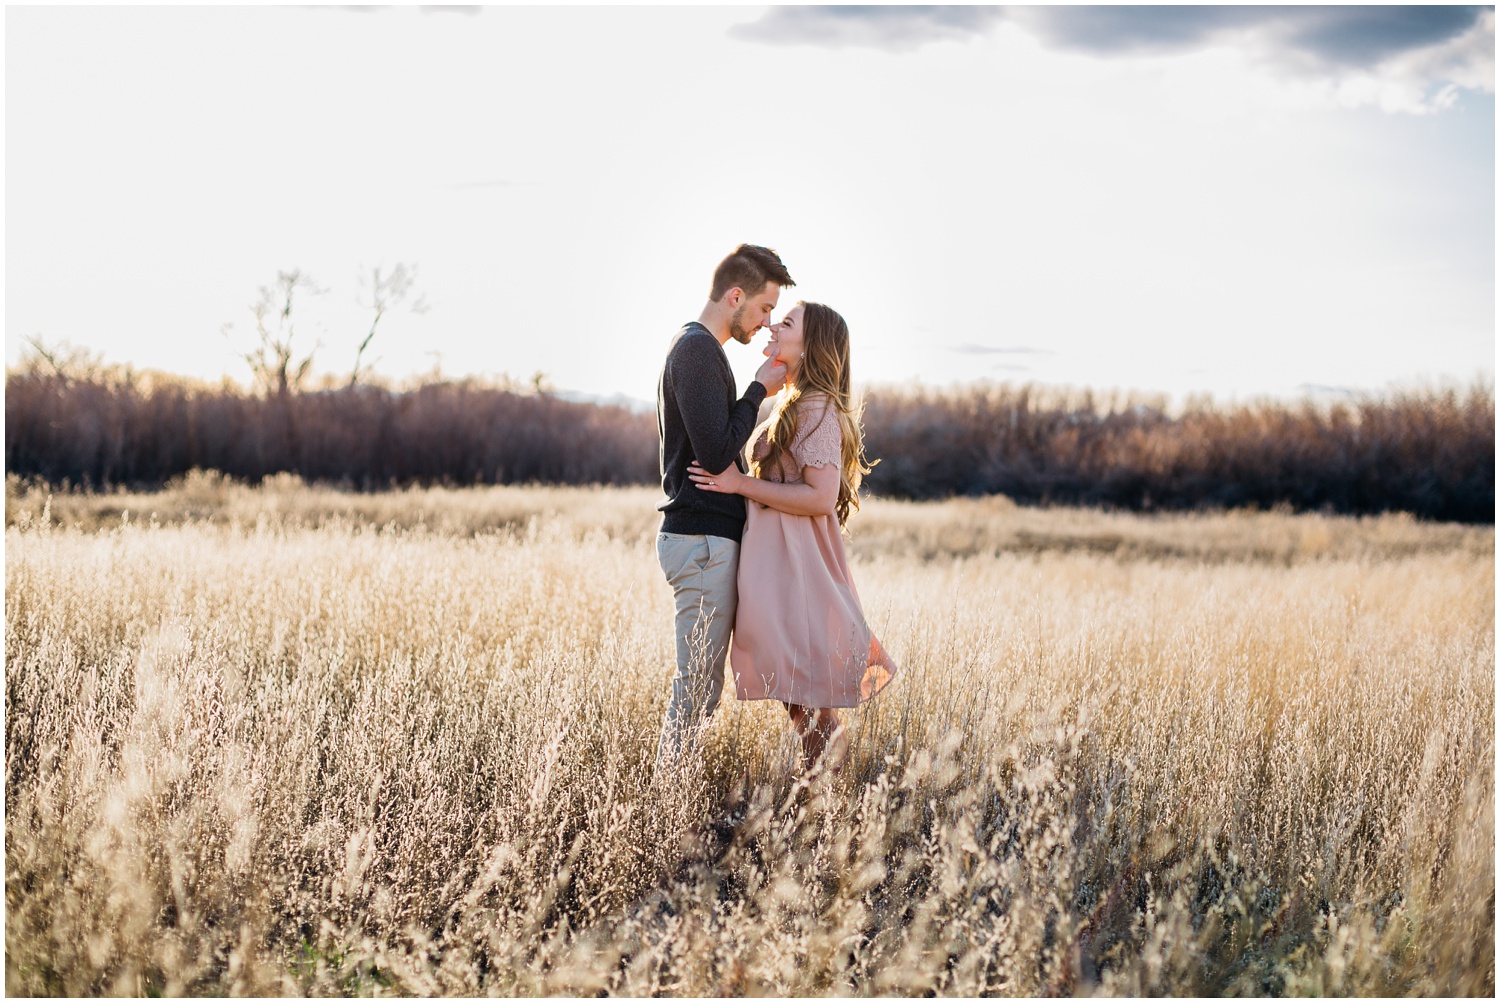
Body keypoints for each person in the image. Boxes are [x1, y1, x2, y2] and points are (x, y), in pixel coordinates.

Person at [689, 301, 898, 773]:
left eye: (786, 323)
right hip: (777, 566)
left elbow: (821, 498)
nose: (772, 325)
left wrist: (740, 484)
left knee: (807, 704)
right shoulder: (795, 402)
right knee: (798, 699)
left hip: (797, 569)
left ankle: (825, 812)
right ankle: (820, 805)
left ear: (811, 346)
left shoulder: (818, 408)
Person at [655, 243, 795, 769]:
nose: (764, 324)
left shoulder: (701, 351)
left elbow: (718, 445)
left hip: (706, 541)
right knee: (695, 689)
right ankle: (667, 810)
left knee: (701, 688)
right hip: (700, 541)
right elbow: (715, 457)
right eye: (762, 308)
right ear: (735, 296)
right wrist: (759, 389)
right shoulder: (695, 351)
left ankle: (672, 796)